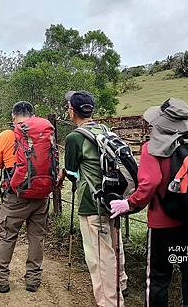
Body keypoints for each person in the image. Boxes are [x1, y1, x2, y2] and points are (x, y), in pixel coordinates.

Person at [110, 98, 188, 307]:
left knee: (158, 276)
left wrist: (130, 203)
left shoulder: (150, 148)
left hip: (162, 224)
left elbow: (150, 182)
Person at [59, 90, 127, 307]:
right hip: (114, 199)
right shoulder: (104, 130)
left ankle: (110, 301)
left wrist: (63, 174)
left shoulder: (74, 137)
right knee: (115, 245)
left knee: (99, 256)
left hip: (91, 203)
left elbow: (72, 174)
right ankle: (121, 282)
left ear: (72, 111)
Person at [0, 101, 50, 293]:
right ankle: (33, 280)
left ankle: (0, 279)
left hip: (16, 195)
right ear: (33, 115)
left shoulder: (7, 135)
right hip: (42, 193)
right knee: (37, 237)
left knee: (7, 235)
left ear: (13, 116)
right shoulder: (44, 134)